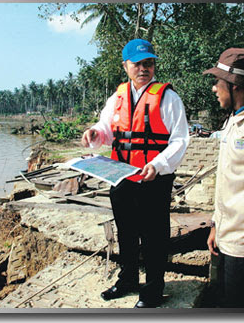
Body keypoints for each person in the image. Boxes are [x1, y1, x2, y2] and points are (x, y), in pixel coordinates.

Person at [81, 39, 189, 308]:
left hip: (155, 179)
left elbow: (180, 140)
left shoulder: (168, 98)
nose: (144, 68)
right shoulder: (116, 97)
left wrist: (159, 164)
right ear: (125, 66)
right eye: (138, 64)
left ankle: (152, 290)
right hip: (122, 177)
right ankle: (127, 280)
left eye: (149, 63)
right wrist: (95, 134)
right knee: (126, 233)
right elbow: (106, 130)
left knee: (154, 236)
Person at [203, 48, 244, 308]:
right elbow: (229, 180)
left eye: (218, 82)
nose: (214, 89)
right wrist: (216, 223)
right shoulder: (233, 120)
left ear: (235, 86)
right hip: (226, 240)